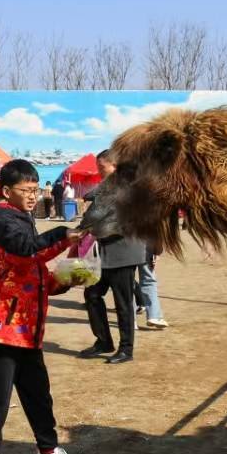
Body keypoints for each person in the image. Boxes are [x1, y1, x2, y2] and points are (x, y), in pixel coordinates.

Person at [0, 158, 90, 454]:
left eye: (36, 190)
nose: (32, 196)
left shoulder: (23, 220)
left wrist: (65, 279)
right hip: (1, 326)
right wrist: (64, 236)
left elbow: (32, 272)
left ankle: (48, 452)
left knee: (38, 393)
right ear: (7, 191)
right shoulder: (0, 221)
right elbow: (27, 252)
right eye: (25, 190)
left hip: (27, 328)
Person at [80, 150, 147, 365]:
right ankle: (104, 341)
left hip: (124, 252)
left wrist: (80, 228)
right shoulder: (111, 186)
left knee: (123, 304)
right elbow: (90, 196)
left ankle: (126, 349)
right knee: (92, 294)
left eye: (102, 167)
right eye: (98, 167)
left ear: (115, 166)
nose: (99, 171)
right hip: (106, 252)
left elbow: (94, 213)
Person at [136, 246, 169, 330]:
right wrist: (157, 252)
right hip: (144, 245)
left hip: (122, 246)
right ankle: (154, 315)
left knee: (127, 281)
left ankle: (131, 320)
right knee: (148, 279)